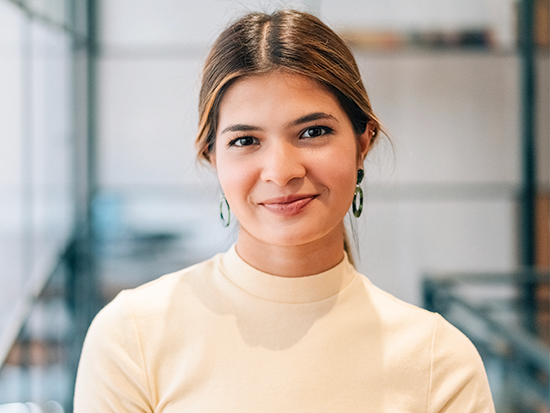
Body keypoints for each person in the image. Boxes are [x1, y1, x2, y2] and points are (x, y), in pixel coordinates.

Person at [74, 9, 495, 412]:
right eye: (245, 141)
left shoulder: (438, 362)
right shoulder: (133, 338)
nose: (281, 172)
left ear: (362, 142)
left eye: (313, 132)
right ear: (212, 156)